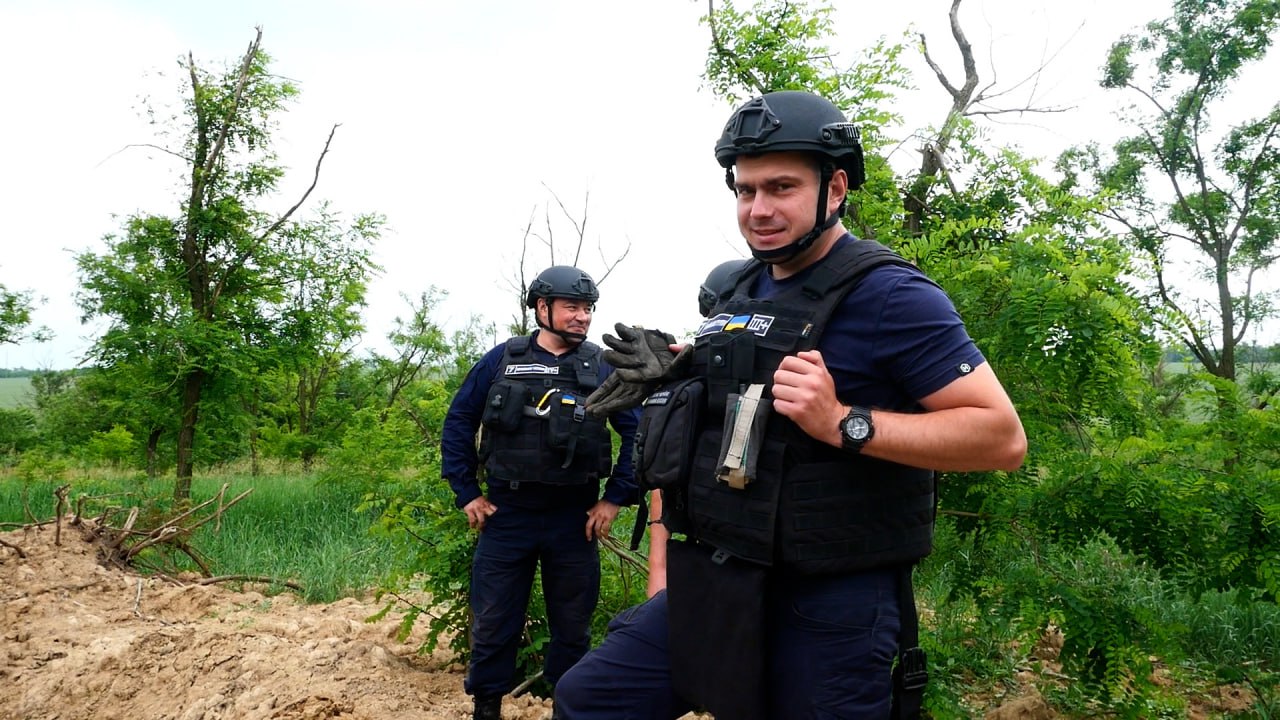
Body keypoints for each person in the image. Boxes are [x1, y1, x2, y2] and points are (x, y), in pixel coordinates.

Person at [554, 90, 1027, 719]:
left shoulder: (892, 295)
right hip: (722, 577)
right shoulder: (742, 288)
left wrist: (843, 423)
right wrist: (678, 368)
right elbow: (729, 400)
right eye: (746, 191)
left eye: (780, 188)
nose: (758, 210)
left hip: (833, 597)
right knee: (591, 700)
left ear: (834, 189)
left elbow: (1001, 438)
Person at [441, 265, 641, 720]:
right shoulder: (501, 360)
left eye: (588, 308)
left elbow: (638, 434)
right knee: (493, 622)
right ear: (542, 307)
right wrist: (466, 491)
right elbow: (458, 422)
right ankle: (487, 707)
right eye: (572, 307)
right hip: (507, 514)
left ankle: (564, 709)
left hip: (574, 519)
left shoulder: (601, 365)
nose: (583, 317)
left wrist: (614, 497)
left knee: (572, 628)